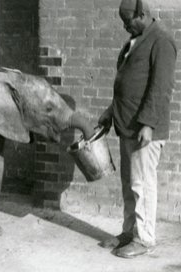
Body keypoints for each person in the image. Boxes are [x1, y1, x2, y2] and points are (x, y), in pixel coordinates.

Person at [98, 0, 177, 258]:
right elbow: (126, 85)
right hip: (127, 126)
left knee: (142, 183)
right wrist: (111, 111)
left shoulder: (161, 41)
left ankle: (144, 239)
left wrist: (148, 124)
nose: (124, 26)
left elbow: (161, 87)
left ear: (141, 14)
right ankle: (129, 231)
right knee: (129, 183)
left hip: (145, 130)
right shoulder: (136, 39)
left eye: (127, 20)